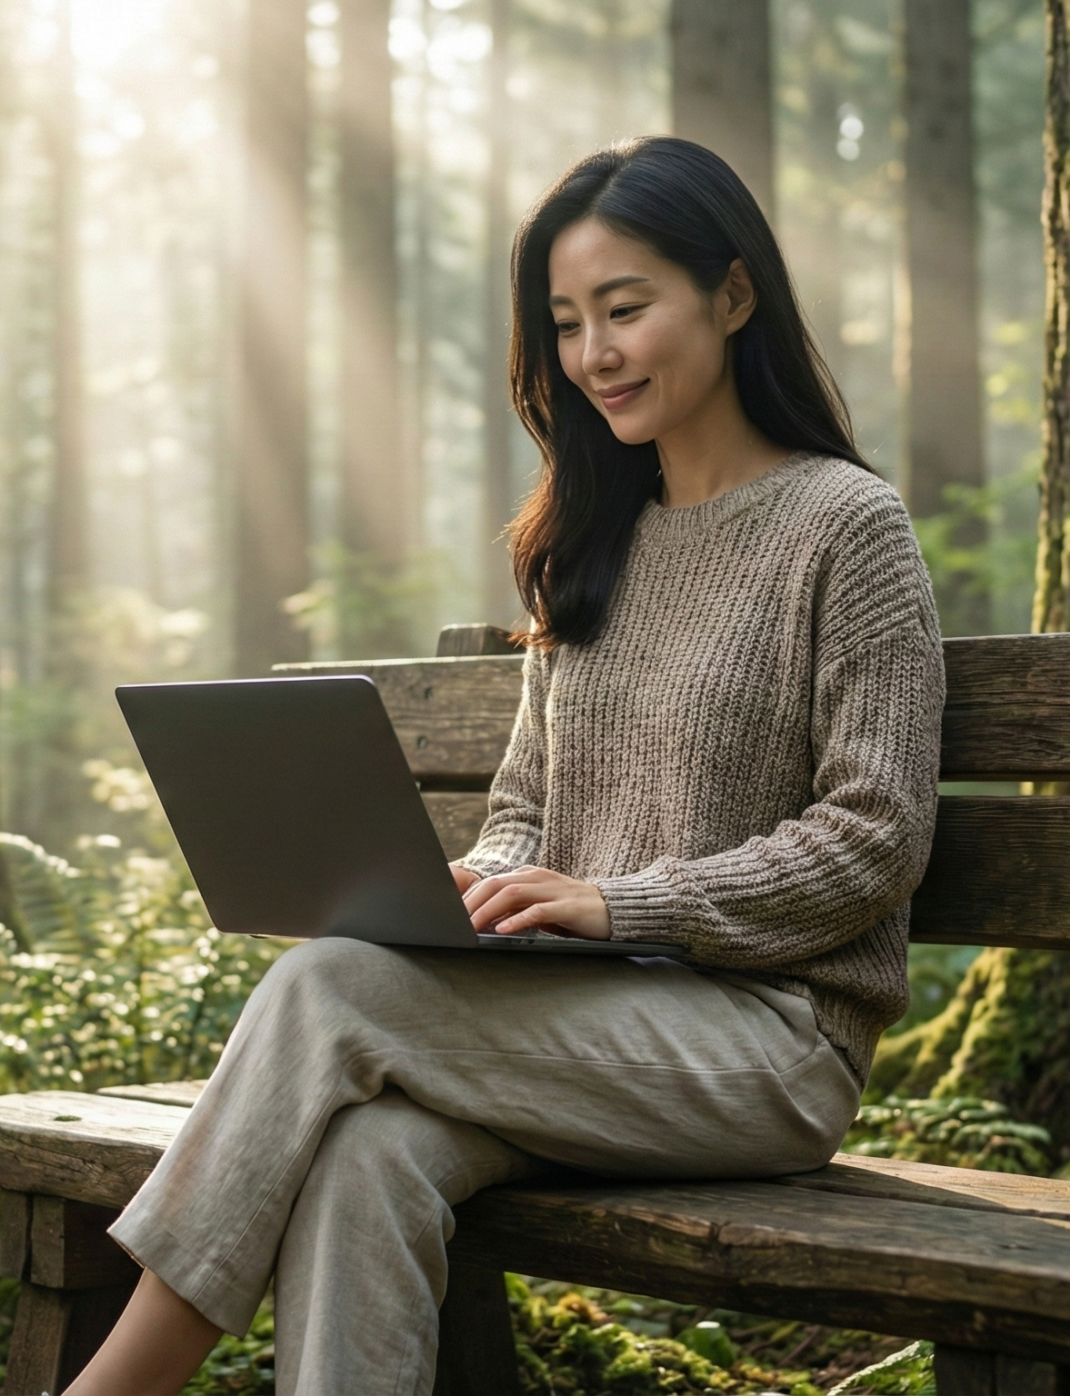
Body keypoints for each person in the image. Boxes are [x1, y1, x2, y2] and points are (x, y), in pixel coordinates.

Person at [64, 135, 944, 1396]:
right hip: (578, 1016)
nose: (595, 354)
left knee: (330, 992)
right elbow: (526, 806)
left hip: (766, 1045)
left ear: (733, 296)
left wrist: (625, 902)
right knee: (371, 1156)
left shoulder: (845, 529)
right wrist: (474, 899)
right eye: (568, 321)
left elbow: (876, 833)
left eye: (626, 309)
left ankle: (113, 1386)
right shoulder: (591, 542)